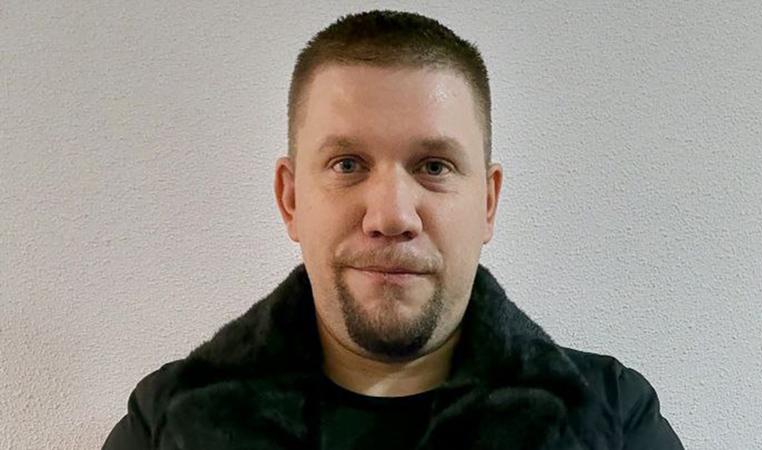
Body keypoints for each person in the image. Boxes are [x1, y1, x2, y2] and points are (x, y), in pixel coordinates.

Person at [102, 9, 684, 450]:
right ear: (291, 198)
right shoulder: (166, 424)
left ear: (487, 203)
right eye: (347, 165)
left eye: (434, 167)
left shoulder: (612, 420)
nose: (391, 217)